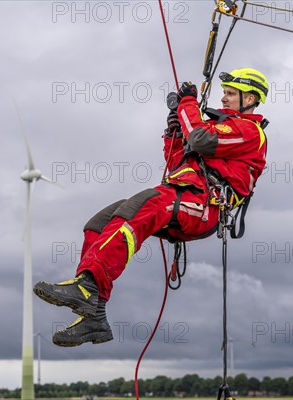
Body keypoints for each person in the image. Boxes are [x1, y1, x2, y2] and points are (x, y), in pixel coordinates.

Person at [34, 68, 270, 347]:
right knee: (100, 222)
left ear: (250, 98)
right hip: (184, 198)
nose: (224, 98)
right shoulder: (220, 128)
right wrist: (174, 128)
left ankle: (87, 288)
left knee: (143, 205)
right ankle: (93, 312)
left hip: (204, 207)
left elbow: (200, 140)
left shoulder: (248, 131)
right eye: (225, 93)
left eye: (231, 93)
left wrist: (187, 104)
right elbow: (178, 162)